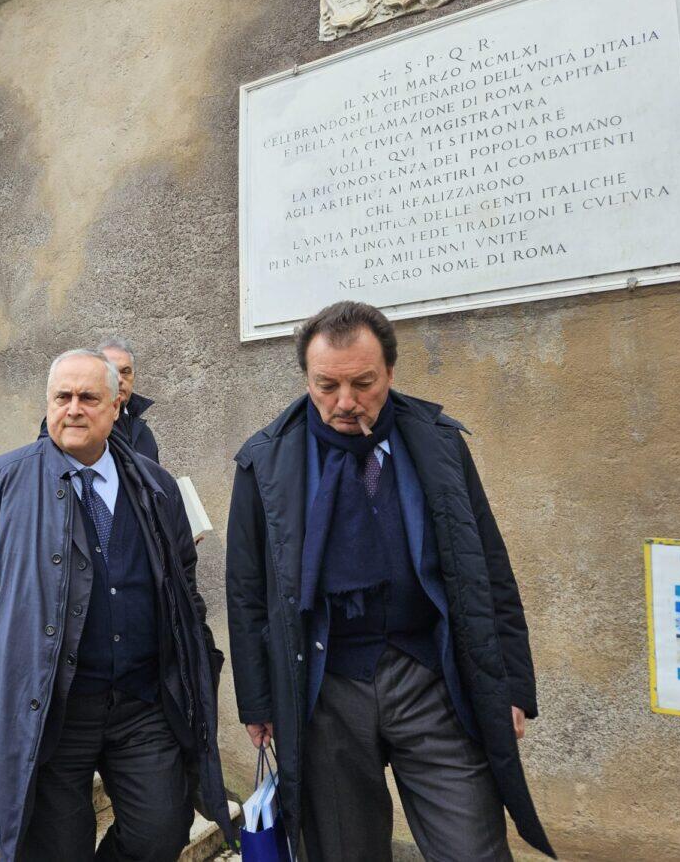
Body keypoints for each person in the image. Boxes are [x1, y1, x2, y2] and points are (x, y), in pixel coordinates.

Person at [225, 301, 554, 860]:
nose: (345, 402)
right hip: (324, 688)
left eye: (363, 383)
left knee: (472, 849)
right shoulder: (267, 459)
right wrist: (258, 701)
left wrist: (513, 686)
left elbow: (488, 568)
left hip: (433, 677)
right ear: (307, 377)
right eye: (326, 385)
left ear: (391, 373)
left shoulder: (439, 443)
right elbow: (247, 592)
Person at [0, 349, 234, 861]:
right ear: (48, 404)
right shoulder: (3, 481)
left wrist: (199, 672)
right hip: (49, 709)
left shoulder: (156, 485)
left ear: (116, 406)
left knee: (161, 831)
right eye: (62, 397)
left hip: (143, 705)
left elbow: (186, 591)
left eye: (88, 398)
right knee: (54, 848)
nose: (74, 409)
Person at [97, 336, 159, 463]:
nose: (119, 379)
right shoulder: (81, 426)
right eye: (111, 371)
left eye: (125, 372)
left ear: (133, 377)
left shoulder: (144, 434)